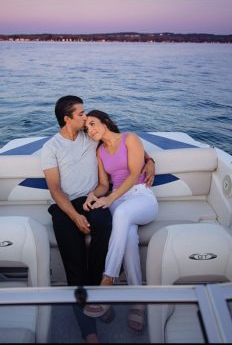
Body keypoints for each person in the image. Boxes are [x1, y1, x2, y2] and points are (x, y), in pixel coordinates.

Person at [41, 96, 155, 343]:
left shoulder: (91, 136)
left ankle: (101, 289)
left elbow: (127, 145)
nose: (85, 118)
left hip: (92, 201)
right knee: (74, 262)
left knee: (105, 227)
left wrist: (151, 160)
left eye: (87, 115)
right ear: (67, 119)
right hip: (64, 206)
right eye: (81, 114)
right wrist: (74, 216)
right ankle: (88, 330)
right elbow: (54, 189)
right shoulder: (51, 148)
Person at [82, 109, 159, 335]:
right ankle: (138, 301)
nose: (91, 130)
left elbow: (135, 173)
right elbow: (104, 185)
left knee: (122, 214)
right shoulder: (100, 152)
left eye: (94, 123)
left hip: (140, 196)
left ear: (105, 121)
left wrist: (111, 198)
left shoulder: (130, 138)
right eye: (87, 128)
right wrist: (93, 194)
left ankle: (108, 279)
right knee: (128, 236)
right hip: (117, 199)